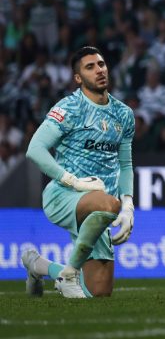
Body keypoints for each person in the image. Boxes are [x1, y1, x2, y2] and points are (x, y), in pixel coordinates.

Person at [22, 46, 135, 298]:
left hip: (100, 207)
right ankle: (69, 273)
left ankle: (37, 264)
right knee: (107, 203)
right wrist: (74, 182)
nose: (99, 70)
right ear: (78, 78)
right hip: (64, 195)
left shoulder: (124, 114)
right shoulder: (70, 108)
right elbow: (35, 149)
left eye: (102, 64)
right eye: (90, 67)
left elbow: (125, 164)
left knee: (98, 292)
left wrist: (127, 204)